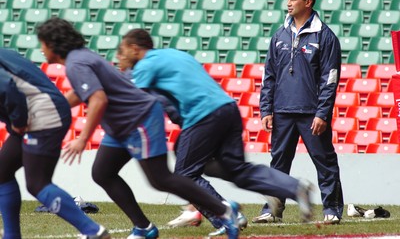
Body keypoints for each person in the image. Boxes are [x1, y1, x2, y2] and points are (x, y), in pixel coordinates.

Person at [36, 17, 240, 239]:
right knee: (103, 172)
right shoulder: (80, 58)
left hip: (138, 119)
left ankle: (224, 210)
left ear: (52, 43)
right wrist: (52, 108)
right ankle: (144, 228)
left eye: (42, 43)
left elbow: (97, 99)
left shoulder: (76, 63)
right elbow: (82, 92)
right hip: (120, 125)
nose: (41, 49)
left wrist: (82, 138)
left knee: (161, 179)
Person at [117, 28, 314, 237]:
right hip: (228, 108)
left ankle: (225, 215)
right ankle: (294, 187)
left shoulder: (146, 65)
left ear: (134, 48)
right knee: (236, 168)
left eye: (122, 51)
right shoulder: (175, 54)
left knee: (185, 174)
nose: (120, 57)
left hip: (203, 116)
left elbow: (133, 101)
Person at [0, 48, 110, 239]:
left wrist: (18, 121)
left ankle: (93, 231)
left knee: (37, 183)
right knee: (2, 172)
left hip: (41, 114)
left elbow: (7, 87)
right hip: (41, 109)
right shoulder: (5, 52)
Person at [258, 0, 344, 225]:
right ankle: (272, 210)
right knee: (278, 164)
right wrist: (266, 108)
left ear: (308, 2)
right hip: (282, 110)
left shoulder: (325, 36)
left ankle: (332, 210)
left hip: (311, 113)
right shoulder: (279, 35)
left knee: (325, 162)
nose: (288, 3)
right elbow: (269, 75)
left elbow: (330, 80)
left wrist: (322, 113)